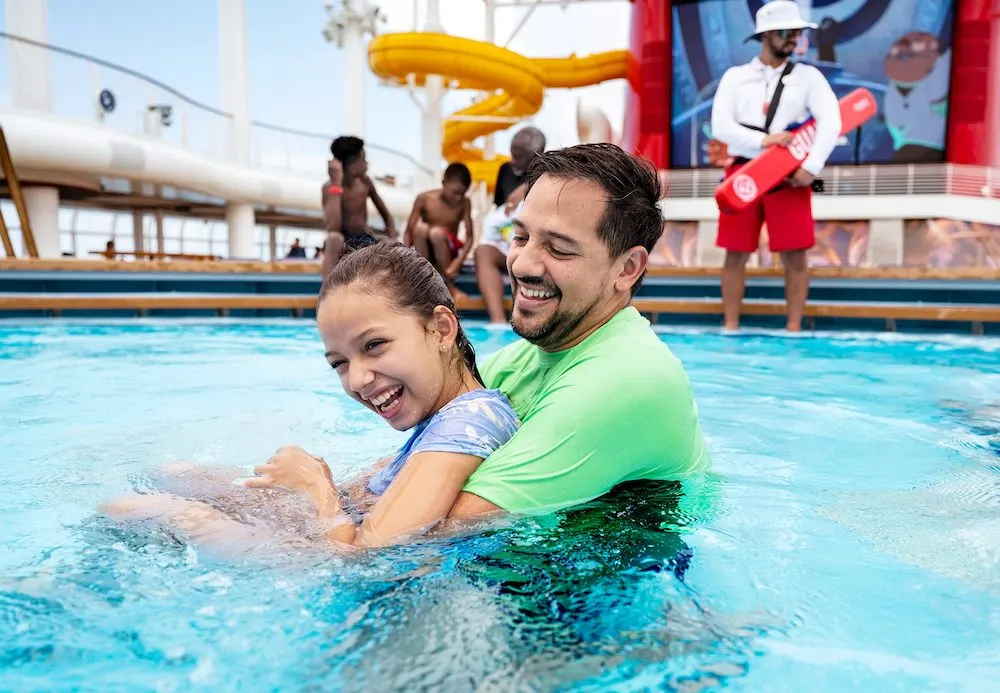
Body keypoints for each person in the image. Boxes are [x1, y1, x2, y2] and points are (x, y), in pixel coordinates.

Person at [264, 143, 710, 525]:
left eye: (558, 248)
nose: (522, 264)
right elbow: (397, 481)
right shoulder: (521, 361)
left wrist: (316, 492)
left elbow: (409, 537)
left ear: (626, 269)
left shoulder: (626, 380)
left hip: (612, 611)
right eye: (519, 237)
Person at [101, 241, 520, 550]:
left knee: (131, 508)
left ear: (442, 329)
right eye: (339, 362)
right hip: (329, 525)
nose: (356, 379)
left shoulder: (470, 420)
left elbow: (365, 559)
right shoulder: (447, 419)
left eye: (373, 345)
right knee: (176, 472)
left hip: (324, 555)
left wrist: (316, 486)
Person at [710, 0, 840, 331]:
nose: (794, 39)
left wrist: (811, 166)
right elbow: (721, 126)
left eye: (797, 32)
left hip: (789, 175)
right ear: (765, 35)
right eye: (787, 32)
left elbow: (832, 120)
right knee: (735, 252)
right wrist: (763, 142)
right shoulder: (735, 78)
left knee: (796, 254)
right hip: (743, 174)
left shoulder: (808, 77)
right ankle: (730, 326)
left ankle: (794, 328)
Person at [475, 126, 546, 323]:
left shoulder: (549, 174)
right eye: (512, 153)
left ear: (536, 157)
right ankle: (498, 322)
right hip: (508, 242)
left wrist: (526, 187)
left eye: (519, 156)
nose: (513, 160)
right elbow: (500, 209)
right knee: (483, 252)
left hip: (535, 247)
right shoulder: (505, 169)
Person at [321, 136, 398, 277]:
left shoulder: (365, 183)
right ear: (353, 167)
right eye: (363, 159)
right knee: (333, 238)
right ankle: (327, 293)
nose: (366, 163)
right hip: (343, 242)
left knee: (390, 244)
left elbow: (386, 214)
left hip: (363, 238)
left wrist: (392, 236)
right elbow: (333, 227)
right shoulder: (330, 188)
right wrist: (336, 185)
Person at [403, 162, 475, 297]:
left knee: (436, 233)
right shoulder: (424, 198)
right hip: (425, 250)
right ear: (443, 183)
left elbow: (470, 237)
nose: (458, 197)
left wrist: (458, 262)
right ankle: (424, 279)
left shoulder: (464, 202)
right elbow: (408, 231)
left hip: (447, 251)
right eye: (455, 193)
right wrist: (407, 258)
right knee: (421, 228)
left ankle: (449, 286)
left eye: (462, 194)